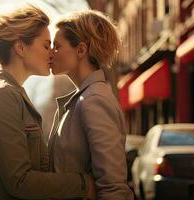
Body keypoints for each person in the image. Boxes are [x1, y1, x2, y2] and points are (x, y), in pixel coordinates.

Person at [0, 5, 95, 200]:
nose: (52, 53)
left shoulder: (14, 94)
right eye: (46, 46)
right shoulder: (1, 96)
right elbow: (19, 181)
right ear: (20, 48)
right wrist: (83, 184)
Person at [48, 10, 134, 200]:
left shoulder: (94, 101)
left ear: (80, 50)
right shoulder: (84, 98)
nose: (50, 52)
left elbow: (113, 187)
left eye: (56, 46)